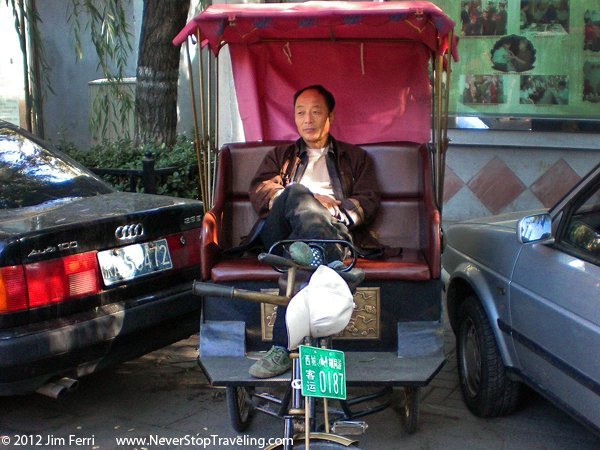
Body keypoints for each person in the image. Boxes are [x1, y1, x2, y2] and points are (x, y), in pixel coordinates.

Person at [246, 85, 381, 378]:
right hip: (281, 235)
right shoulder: (280, 156)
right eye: (300, 112)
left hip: (330, 231)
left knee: (302, 261)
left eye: (316, 112)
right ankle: (331, 262)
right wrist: (307, 199)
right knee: (294, 193)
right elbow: (260, 190)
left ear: (330, 116)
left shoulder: (355, 158)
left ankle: (281, 348)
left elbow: (368, 200)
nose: (308, 119)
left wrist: (332, 210)